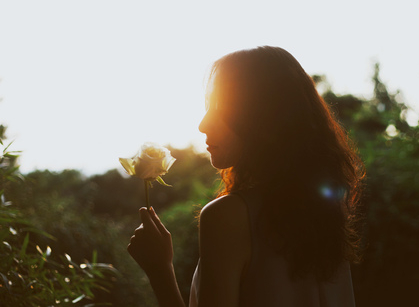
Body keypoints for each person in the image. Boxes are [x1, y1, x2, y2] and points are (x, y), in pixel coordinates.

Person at [127, 46, 365, 307]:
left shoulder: (228, 215)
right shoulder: (325, 208)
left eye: (220, 107)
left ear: (260, 116)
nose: (203, 125)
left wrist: (160, 270)